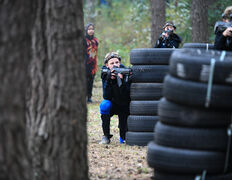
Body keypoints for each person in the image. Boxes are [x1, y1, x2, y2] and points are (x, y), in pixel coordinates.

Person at [99, 52, 131, 144]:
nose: (115, 65)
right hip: (113, 104)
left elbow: (126, 95)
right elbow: (106, 96)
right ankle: (106, 136)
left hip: (124, 106)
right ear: (107, 65)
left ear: (120, 63)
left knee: (123, 140)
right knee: (104, 105)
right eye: (112, 63)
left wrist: (121, 81)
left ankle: (123, 135)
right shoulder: (105, 74)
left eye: (117, 62)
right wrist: (110, 80)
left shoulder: (126, 73)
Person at [84, 23, 99, 103]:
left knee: (91, 81)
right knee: (84, 81)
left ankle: (89, 97)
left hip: (93, 64)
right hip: (84, 63)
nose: (91, 31)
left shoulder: (95, 40)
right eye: (89, 29)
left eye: (92, 29)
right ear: (86, 30)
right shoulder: (83, 40)